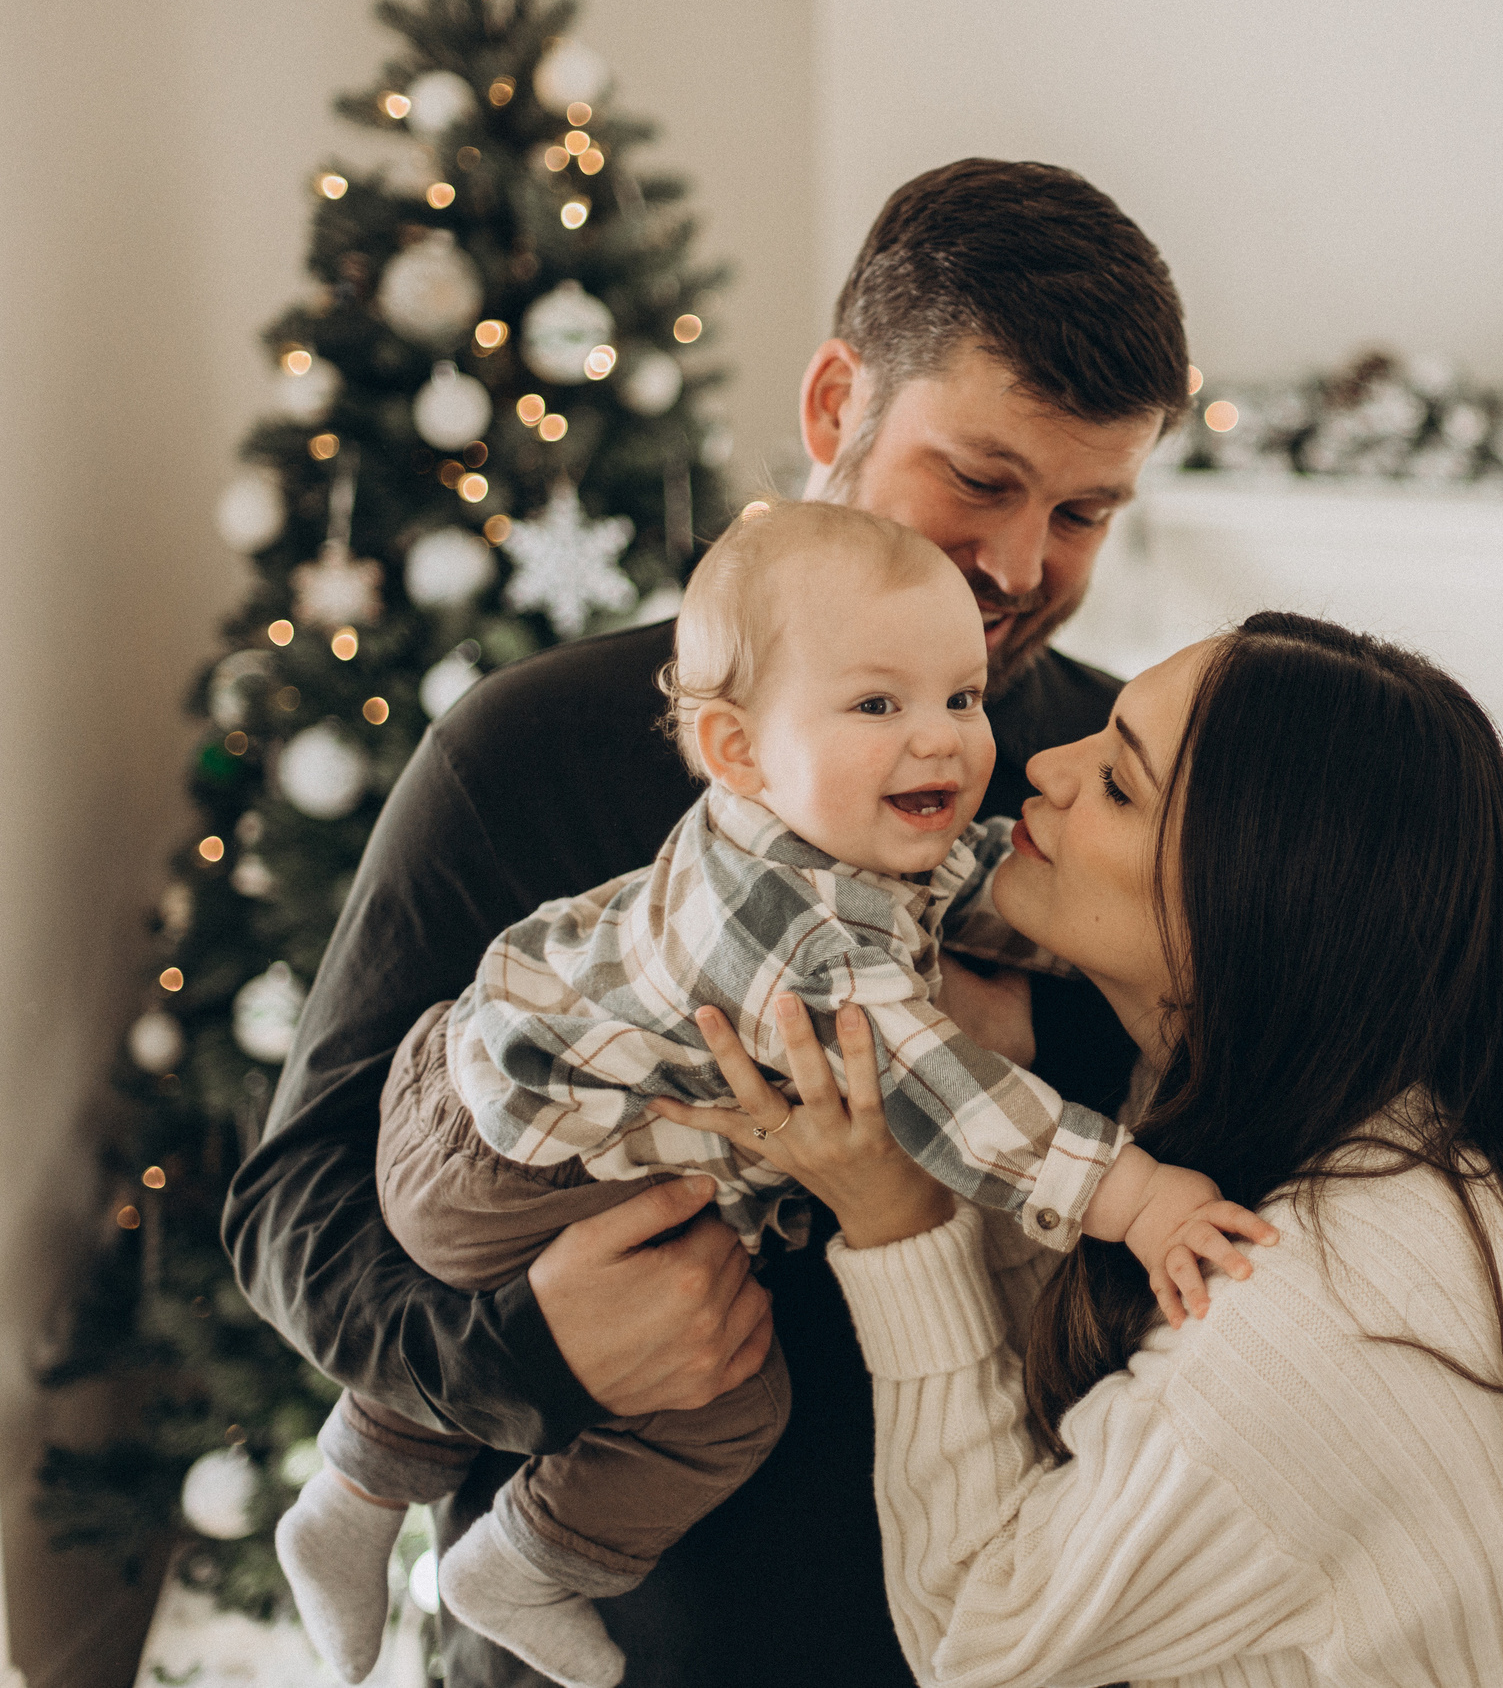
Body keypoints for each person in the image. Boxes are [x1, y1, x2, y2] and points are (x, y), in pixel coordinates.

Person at [225, 158, 1191, 1687]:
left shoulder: (1105, 792)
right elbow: (291, 1210)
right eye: (982, 479)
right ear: (833, 408)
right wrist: (533, 1356)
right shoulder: (530, 748)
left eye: (1084, 511)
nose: (1018, 566)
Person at [271, 502, 1263, 1688]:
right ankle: (525, 1564)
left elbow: (978, 888)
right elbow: (958, 1104)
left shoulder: (825, 809)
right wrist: (1139, 1198)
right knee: (728, 1411)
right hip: (508, 1163)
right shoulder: (800, 928)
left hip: (496, 1103)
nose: (945, 741)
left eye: (963, 698)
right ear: (736, 748)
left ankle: (352, 1490)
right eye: (882, 705)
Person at [661, 613, 1503, 1687]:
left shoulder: (1322, 1305)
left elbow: (979, 1637)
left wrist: (902, 1217)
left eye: (1120, 787)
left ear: (1250, 912)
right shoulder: (1381, 1135)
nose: (1042, 766)